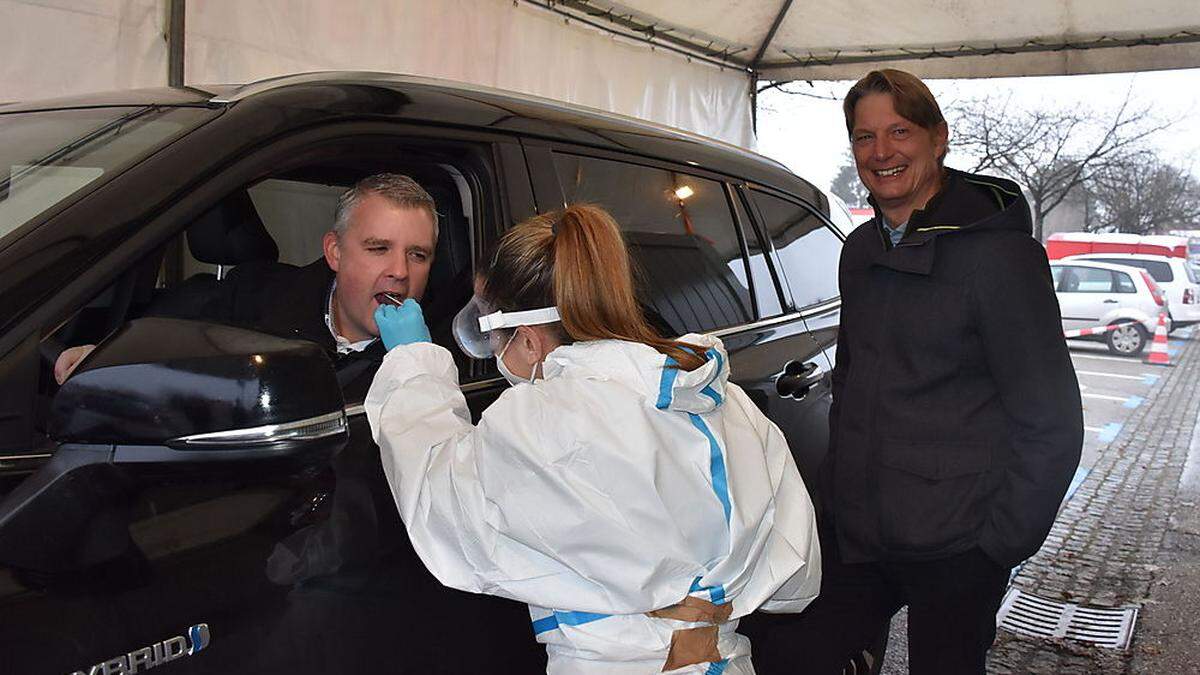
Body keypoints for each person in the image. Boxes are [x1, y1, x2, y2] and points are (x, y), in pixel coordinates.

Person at [366, 204, 822, 674]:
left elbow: (442, 506)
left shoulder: (545, 420)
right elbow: (796, 579)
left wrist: (412, 361)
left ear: (526, 339)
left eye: (491, 334)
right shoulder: (723, 399)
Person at [745, 69, 1084, 674]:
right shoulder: (861, 250)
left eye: (899, 131)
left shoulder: (999, 258)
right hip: (860, 533)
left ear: (937, 137)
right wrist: (834, 497)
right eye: (864, 136)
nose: (881, 153)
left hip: (958, 544)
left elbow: (1051, 419)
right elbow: (850, 384)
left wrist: (998, 545)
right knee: (789, 654)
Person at [52, 172, 438, 394]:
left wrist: (416, 363)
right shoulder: (256, 294)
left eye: (417, 255)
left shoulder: (443, 360)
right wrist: (106, 358)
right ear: (334, 252)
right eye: (378, 248)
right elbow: (168, 341)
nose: (400, 271)